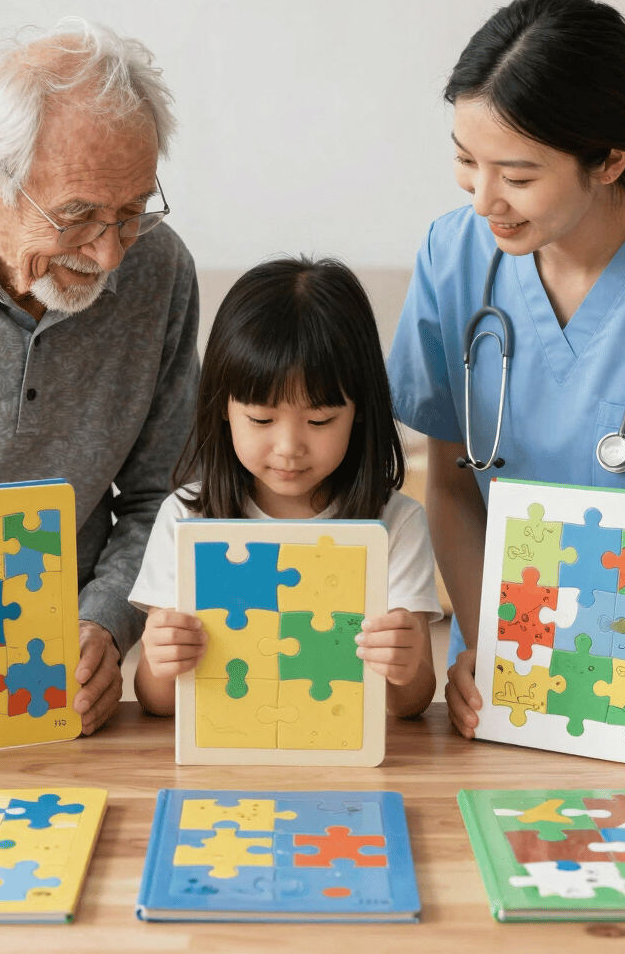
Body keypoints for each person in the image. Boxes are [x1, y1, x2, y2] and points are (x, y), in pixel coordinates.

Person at [0, 19, 199, 741]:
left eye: (131, 214)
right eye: (77, 216)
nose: (108, 254)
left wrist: (107, 625)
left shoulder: (160, 272)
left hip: (55, 695)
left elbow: (166, 495)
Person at [386, 0, 625, 737]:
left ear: (608, 160)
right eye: (464, 160)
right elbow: (449, 482)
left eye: (516, 174)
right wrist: (496, 651)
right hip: (511, 675)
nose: (483, 200)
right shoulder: (454, 258)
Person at [129, 256, 442, 718]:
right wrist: (159, 661)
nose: (289, 447)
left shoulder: (396, 523)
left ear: (359, 413)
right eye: (260, 419)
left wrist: (405, 664)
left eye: (319, 420)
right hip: (226, 757)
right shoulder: (185, 518)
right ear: (221, 407)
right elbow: (156, 704)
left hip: (345, 758)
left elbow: (410, 704)